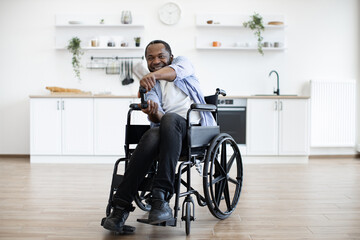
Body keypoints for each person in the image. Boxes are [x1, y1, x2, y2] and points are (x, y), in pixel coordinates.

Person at [102, 40, 216, 233]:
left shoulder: (183, 63)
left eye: (161, 56)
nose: (156, 61)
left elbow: (175, 72)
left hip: (195, 131)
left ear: (170, 57)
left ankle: (158, 195)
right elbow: (159, 118)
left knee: (169, 120)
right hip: (168, 133)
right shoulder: (151, 87)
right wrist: (152, 112)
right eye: (150, 58)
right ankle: (123, 208)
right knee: (155, 130)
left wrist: (149, 76)